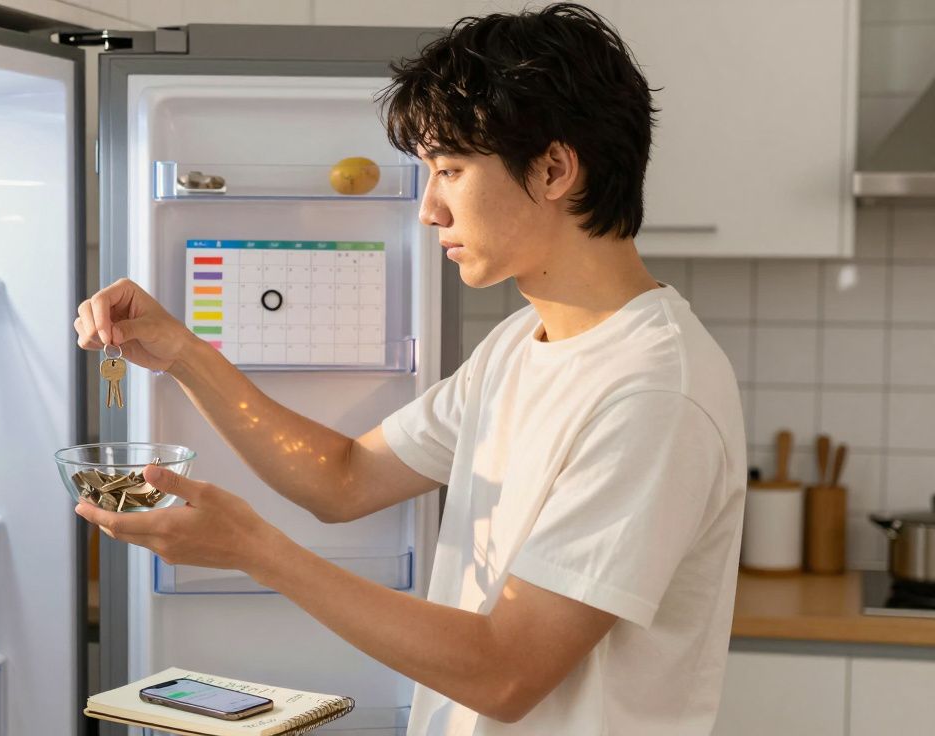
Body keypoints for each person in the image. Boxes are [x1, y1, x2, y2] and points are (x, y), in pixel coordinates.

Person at [72, 3, 746, 733]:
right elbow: (343, 478)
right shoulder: (524, 344)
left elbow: (506, 669)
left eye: (450, 171)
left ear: (554, 169)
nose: (428, 210)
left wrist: (254, 551)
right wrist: (183, 355)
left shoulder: (652, 394)